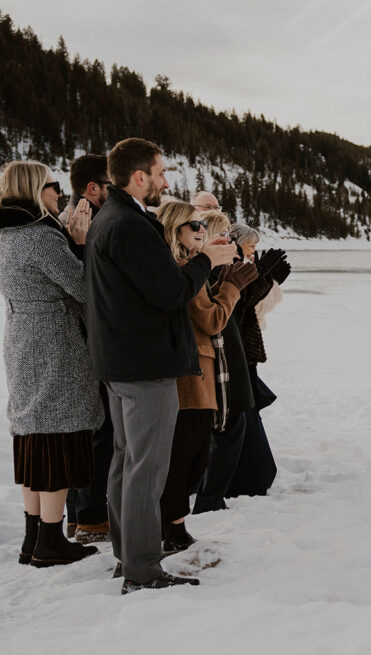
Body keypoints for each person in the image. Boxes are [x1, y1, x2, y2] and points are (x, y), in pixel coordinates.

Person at [85, 138, 238, 592]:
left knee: (126, 461)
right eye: (160, 172)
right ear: (139, 177)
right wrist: (205, 261)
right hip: (143, 363)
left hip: (121, 361)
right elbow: (170, 292)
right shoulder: (129, 225)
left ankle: (127, 555)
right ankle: (142, 568)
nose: (165, 181)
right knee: (146, 468)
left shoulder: (108, 219)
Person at [0, 160, 103, 566]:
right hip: (53, 342)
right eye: (52, 185)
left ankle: (33, 539)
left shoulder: (6, 235)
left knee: (33, 438)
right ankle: (50, 541)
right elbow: (81, 286)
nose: (59, 193)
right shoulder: (40, 238)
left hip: (21, 338)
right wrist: (78, 242)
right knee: (57, 440)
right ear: (33, 189)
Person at [156, 203, 257, 553]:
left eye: (202, 224)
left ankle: (173, 526)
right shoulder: (184, 269)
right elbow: (211, 320)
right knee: (187, 454)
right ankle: (173, 528)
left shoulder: (180, 268)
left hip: (194, 371)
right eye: (193, 225)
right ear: (175, 230)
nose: (201, 229)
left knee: (190, 454)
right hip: (193, 376)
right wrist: (231, 287)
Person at [58, 154, 115, 544]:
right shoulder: (80, 225)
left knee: (87, 430)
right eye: (111, 184)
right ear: (92, 189)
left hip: (80, 341)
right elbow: (83, 288)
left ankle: (79, 518)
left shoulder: (74, 220)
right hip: (83, 342)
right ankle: (90, 518)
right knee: (97, 430)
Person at [224, 223, 289, 498]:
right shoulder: (228, 267)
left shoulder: (240, 265)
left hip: (245, 351)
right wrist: (263, 275)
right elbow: (242, 303)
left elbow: (253, 303)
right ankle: (245, 477)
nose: (253, 252)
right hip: (235, 352)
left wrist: (268, 279)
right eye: (250, 246)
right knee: (242, 416)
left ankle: (253, 474)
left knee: (250, 411)